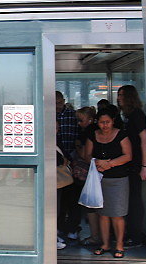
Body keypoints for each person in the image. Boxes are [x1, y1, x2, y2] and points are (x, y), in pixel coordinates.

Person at [85, 109, 132, 259]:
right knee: (102, 214)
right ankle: (105, 244)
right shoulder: (93, 135)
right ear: (96, 122)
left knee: (117, 214)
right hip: (98, 179)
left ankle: (119, 245)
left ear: (113, 121)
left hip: (118, 179)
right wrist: (97, 163)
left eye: (107, 122)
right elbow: (87, 155)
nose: (104, 125)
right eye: (101, 122)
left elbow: (128, 156)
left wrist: (110, 164)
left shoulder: (121, 134)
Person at [117, 85, 146, 248]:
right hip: (129, 164)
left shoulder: (136, 115)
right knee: (129, 199)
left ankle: (136, 237)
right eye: (118, 95)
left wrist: (144, 166)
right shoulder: (127, 116)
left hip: (136, 164)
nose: (119, 98)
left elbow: (144, 140)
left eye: (122, 95)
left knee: (135, 200)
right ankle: (131, 233)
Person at [74, 106, 101, 246]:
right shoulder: (94, 131)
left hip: (89, 172)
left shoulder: (88, 133)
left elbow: (85, 156)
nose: (78, 123)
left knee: (90, 205)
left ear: (90, 120)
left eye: (81, 120)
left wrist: (77, 147)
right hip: (97, 171)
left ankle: (95, 235)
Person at [55, 91, 80, 239]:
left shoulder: (72, 114)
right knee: (59, 199)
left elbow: (77, 135)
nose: (57, 106)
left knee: (72, 197)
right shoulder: (49, 114)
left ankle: (72, 227)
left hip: (71, 159)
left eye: (59, 102)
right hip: (58, 159)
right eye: (55, 103)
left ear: (63, 100)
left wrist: (72, 157)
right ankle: (60, 228)